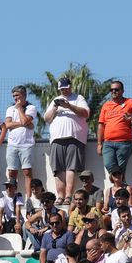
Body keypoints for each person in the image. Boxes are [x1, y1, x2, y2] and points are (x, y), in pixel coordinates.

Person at [44, 77, 91, 205]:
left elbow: (86, 113)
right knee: (58, 168)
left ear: (70, 87)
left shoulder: (78, 98)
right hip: (57, 138)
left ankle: (69, 196)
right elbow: (47, 118)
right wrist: (55, 106)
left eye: (65, 88)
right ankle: (60, 196)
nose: (63, 91)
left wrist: (68, 106)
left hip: (74, 138)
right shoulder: (55, 100)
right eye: (61, 89)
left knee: (71, 167)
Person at [97, 80, 132, 175]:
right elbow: (101, 125)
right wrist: (99, 144)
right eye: (111, 90)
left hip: (124, 143)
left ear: (122, 91)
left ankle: (119, 187)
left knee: (120, 169)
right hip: (108, 143)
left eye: (116, 89)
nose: (113, 91)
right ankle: (119, 185)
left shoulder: (129, 102)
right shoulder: (106, 105)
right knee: (109, 165)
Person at [3, 86, 38, 192]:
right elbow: (7, 125)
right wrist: (25, 124)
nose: (15, 98)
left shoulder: (31, 108)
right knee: (12, 172)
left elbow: (24, 121)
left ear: (24, 95)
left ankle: (29, 199)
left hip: (26, 145)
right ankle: (12, 197)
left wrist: (19, 109)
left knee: (27, 171)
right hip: (12, 144)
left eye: (17, 95)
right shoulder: (10, 109)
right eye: (13, 96)